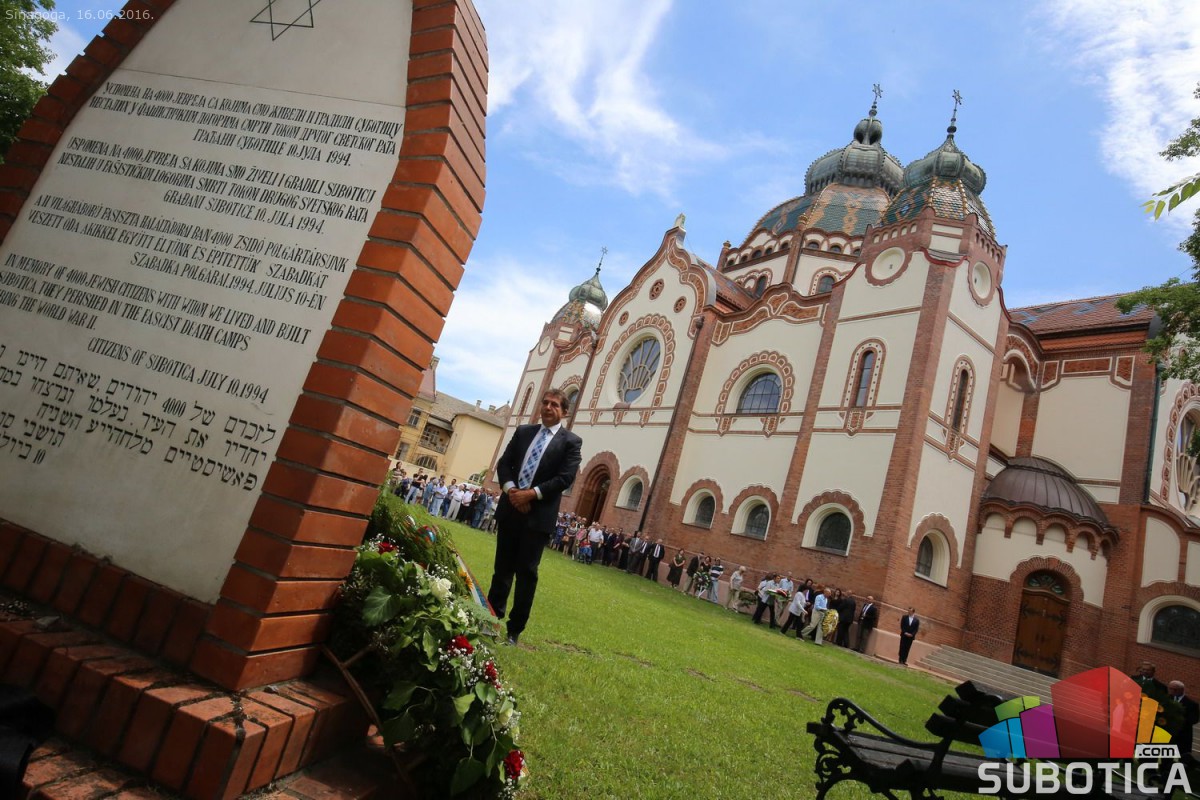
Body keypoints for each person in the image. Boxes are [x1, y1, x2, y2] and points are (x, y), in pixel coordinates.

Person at [487, 390, 583, 646]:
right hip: (511, 509)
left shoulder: (571, 442)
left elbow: (565, 478)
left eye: (555, 405)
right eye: (546, 402)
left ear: (565, 412)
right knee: (502, 570)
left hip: (537, 517)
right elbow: (504, 464)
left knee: (526, 574)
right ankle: (490, 619)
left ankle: (514, 631)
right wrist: (513, 492)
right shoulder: (523, 432)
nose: (548, 407)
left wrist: (531, 494)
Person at [1165, 681, 1200, 757]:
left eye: (1174, 689)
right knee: (1166, 755)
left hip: (1183, 735)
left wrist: (1179, 718)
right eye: (1170, 688)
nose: (1171, 691)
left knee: (1182, 756)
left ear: (1181, 690)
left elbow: (1194, 720)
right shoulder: (1167, 699)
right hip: (1168, 733)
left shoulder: (1192, 704)